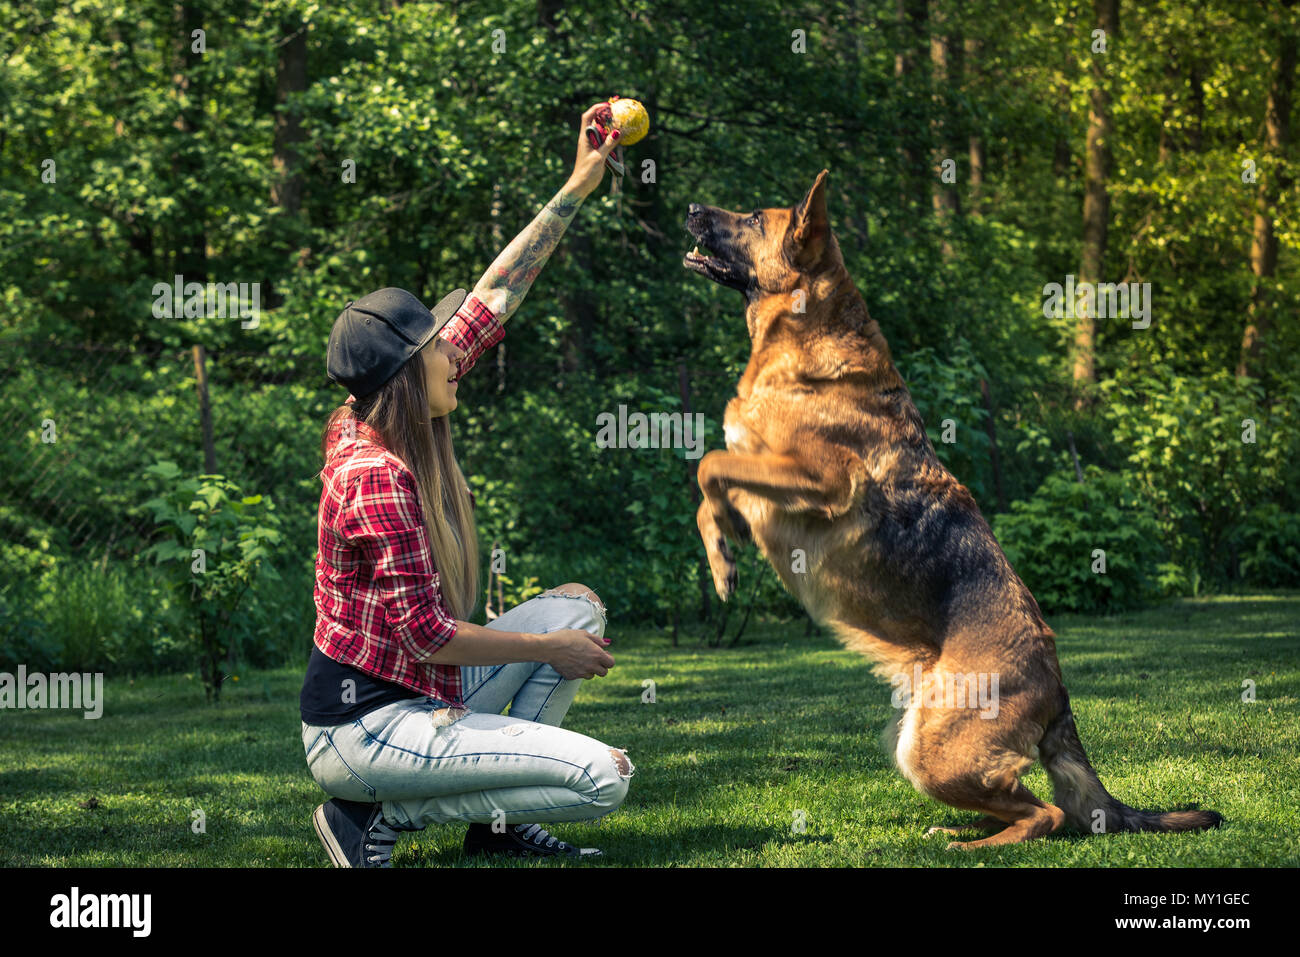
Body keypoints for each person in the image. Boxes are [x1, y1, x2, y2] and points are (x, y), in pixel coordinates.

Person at [300, 105, 632, 867]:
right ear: (406, 373)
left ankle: (499, 829)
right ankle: (366, 820)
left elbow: (497, 292)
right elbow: (428, 635)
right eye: (436, 348)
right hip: (365, 726)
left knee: (577, 605)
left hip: (417, 691)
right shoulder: (374, 474)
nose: (454, 354)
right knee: (601, 776)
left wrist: (577, 184)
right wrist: (550, 648)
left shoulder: (389, 407)